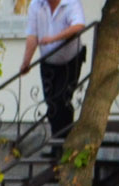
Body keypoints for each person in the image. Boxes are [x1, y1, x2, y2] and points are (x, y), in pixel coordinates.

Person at [24, 0, 90, 143]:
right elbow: (32, 35)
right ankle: (56, 143)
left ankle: (64, 143)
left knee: (62, 100)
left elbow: (78, 26)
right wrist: (26, 62)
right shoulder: (36, 5)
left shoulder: (71, 3)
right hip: (48, 61)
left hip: (70, 60)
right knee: (51, 102)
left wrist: (53, 39)